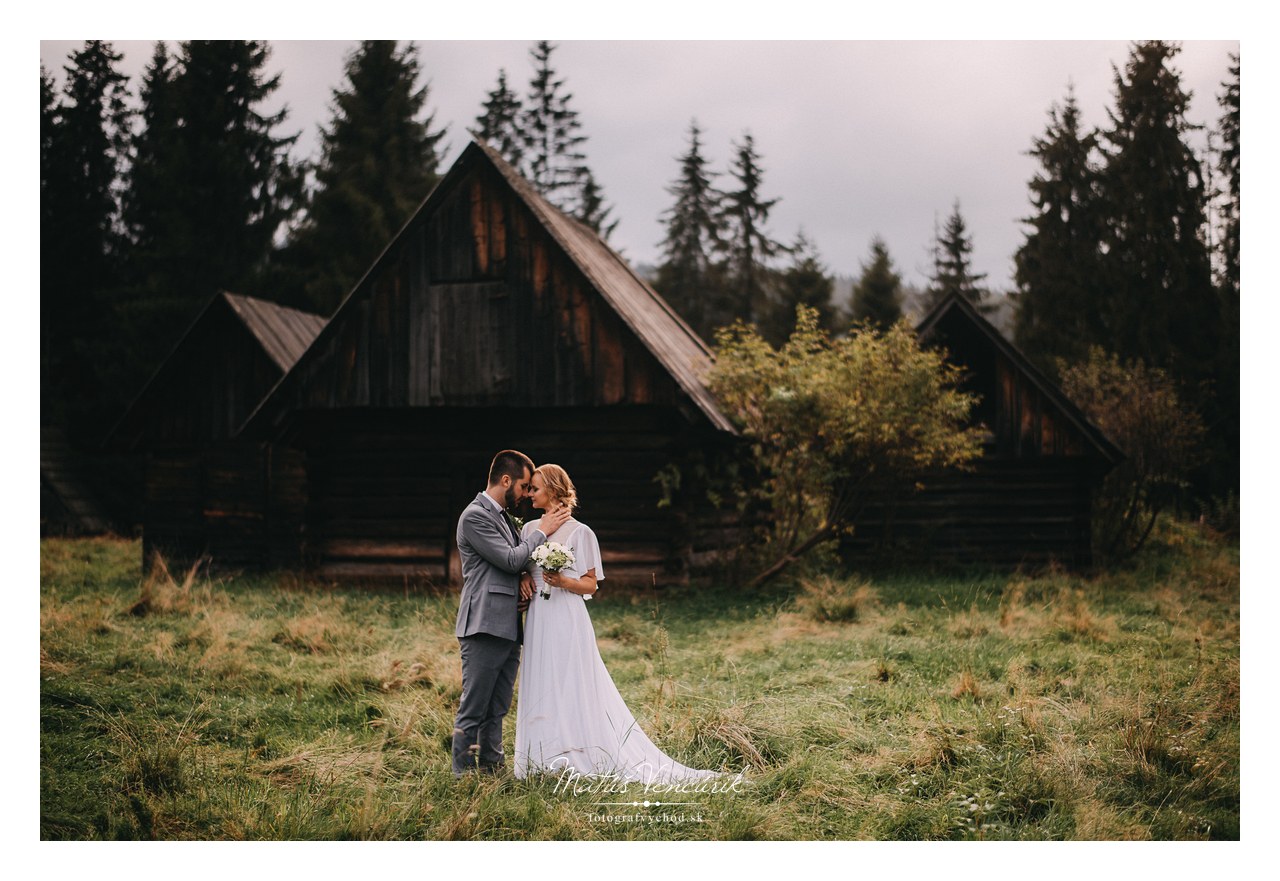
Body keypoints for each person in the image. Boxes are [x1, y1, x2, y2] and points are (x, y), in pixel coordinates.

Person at [514, 463, 721, 784]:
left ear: (554, 491)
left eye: (535, 489)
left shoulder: (581, 533)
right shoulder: (529, 530)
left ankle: (578, 750)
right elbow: (520, 562)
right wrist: (527, 575)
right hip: (539, 617)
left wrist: (563, 582)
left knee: (570, 680)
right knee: (541, 678)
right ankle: (542, 754)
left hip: (567, 615)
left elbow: (591, 585)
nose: (529, 494)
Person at [452, 450, 571, 777]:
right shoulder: (474, 516)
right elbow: (509, 558)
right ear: (505, 480)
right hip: (484, 624)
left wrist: (521, 579)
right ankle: (463, 775)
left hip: (508, 625)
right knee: (474, 707)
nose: (525, 494)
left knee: (498, 707)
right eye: (522, 486)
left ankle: (492, 768)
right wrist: (542, 530)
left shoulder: (503, 516)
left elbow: (512, 562)